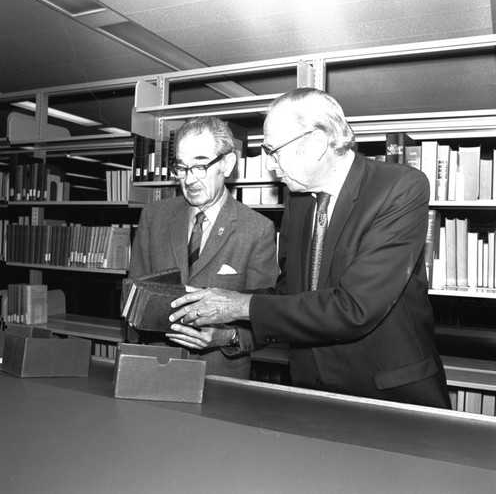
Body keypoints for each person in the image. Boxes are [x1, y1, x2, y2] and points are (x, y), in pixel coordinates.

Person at [169, 87, 452, 409]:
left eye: (274, 151)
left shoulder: (399, 188)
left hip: (390, 394)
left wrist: (238, 305)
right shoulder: (300, 201)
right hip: (312, 392)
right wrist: (217, 311)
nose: (272, 166)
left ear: (316, 143)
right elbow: (291, 294)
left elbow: (354, 309)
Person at [126, 116, 279, 378]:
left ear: (227, 164)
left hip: (219, 376)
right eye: (182, 168)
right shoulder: (154, 217)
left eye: (200, 166)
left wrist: (225, 336)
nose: (190, 180)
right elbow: (131, 294)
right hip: (156, 367)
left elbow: (268, 320)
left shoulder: (257, 229)